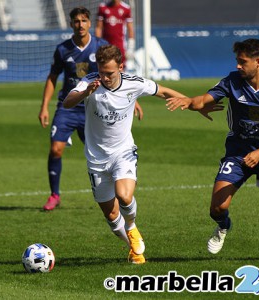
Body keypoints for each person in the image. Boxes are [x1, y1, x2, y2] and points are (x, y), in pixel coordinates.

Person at [167, 38, 259, 261]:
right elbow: (203, 100)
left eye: (242, 61)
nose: (238, 65)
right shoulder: (232, 81)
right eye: (237, 60)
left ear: (258, 62)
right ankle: (223, 227)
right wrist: (190, 102)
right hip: (237, 152)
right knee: (217, 207)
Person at [63, 44, 187, 264]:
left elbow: (164, 91)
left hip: (123, 152)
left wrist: (193, 103)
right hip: (96, 158)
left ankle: (131, 226)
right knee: (111, 216)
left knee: (125, 195)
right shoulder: (89, 81)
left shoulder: (134, 83)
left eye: (109, 73)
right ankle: (133, 248)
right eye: (102, 72)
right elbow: (67, 102)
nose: (105, 77)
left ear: (120, 67)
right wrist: (86, 92)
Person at [38, 7, 143, 211]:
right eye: (76, 21)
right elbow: (52, 78)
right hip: (69, 107)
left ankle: (113, 192)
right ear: (71, 24)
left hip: (95, 109)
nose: (80, 25)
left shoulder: (101, 46)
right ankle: (54, 195)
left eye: (84, 21)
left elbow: (118, 77)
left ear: (89, 23)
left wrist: (133, 99)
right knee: (55, 149)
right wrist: (44, 107)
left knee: (105, 153)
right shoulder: (62, 49)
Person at [95, 0, 135, 70]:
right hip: (105, 45)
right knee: (104, 68)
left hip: (120, 45)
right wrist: (96, 44)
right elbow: (99, 28)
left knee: (120, 69)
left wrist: (130, 47)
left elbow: (130, 29)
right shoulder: (103, 7)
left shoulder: (126, 8)